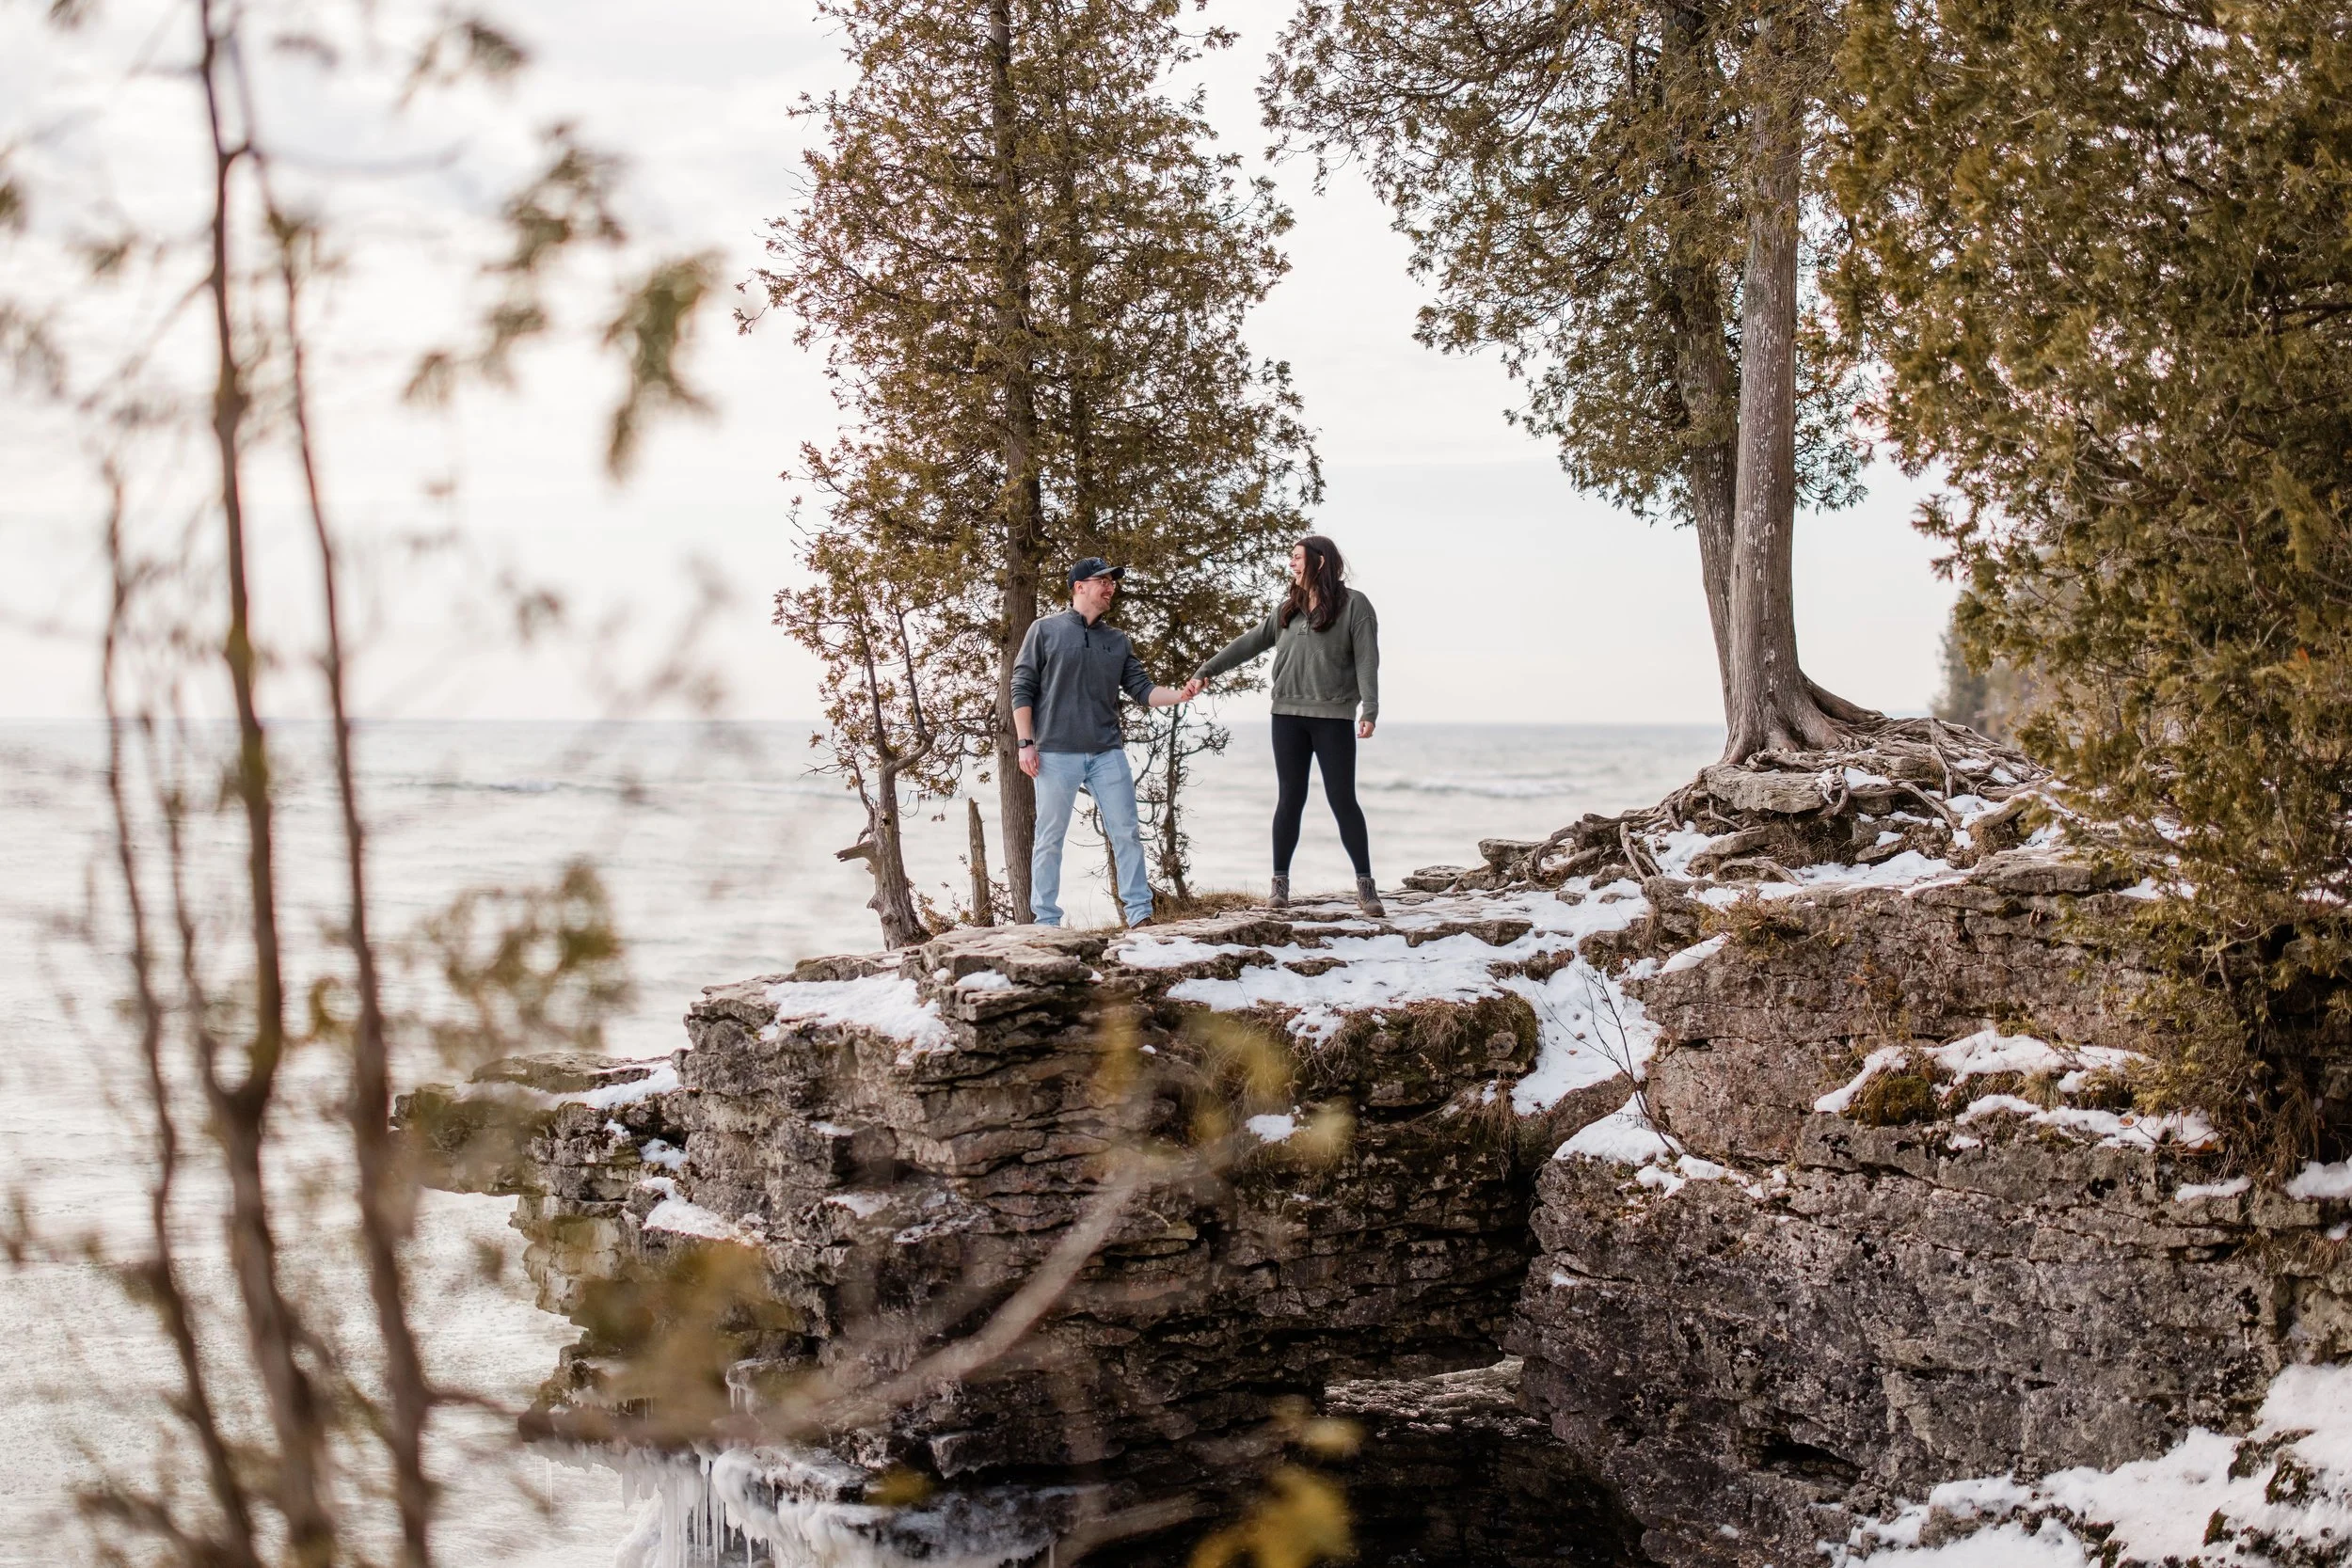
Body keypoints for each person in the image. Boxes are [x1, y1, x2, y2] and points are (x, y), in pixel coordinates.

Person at [1186, 534, 1383, 917]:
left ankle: (1366, 886)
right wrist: (1206, 670)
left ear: (1319, 561)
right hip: (1286, 716)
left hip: (1333, 716)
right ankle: (1279, 885)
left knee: (1342, 799)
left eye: (1297, 557)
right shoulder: (1288, 609)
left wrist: (1370, 709)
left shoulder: (1355, 605)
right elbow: (1248, 643)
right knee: (1290, 798)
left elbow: (1367, 660)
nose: (1291, 564)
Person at [1011, 557, 1197, 929]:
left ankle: (1139, 915)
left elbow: (1142, 690)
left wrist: (1180, 694)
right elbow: (1022, 686)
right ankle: (1046, 922)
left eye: (1113, 581)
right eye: (1103, 581)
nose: (1111, 587)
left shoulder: (1117, 641)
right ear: (1079, 587)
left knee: (1126, 832)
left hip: (1107, 752)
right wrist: (1025, 742)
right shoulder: (1044, 630)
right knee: (1049, 838)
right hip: (1054, 753)